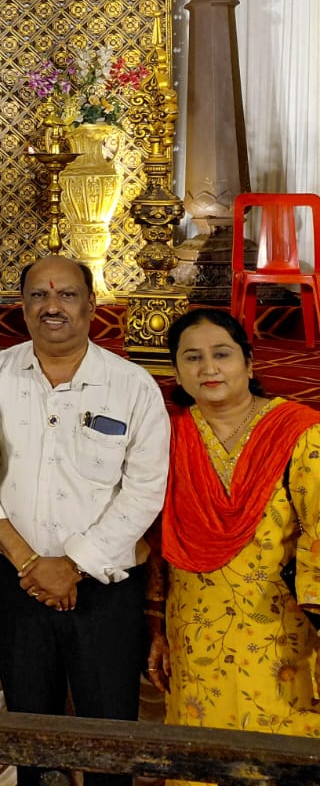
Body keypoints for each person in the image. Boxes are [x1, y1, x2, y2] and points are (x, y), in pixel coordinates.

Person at [0, 256, 168, 786]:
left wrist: (71, 565)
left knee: (109, 744)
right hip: (19, 583)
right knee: (34, 740)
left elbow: (144, 491)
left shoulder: (132, 385)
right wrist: (30, 562)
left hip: (105, 590)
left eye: (67, 295)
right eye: (38, 296)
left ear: (92, 306)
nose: (52, 307)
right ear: (22, 306)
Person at [148, 308, 320, 771]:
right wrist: (156, 627)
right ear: (178, 372)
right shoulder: (167, 435)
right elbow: (153, 539)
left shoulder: (299, 432)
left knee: (278, 755)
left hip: (283, 634)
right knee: (204, 756)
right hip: (195, 633)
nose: (208, 369)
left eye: (221, 354)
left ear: (248, 362)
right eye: (192, 358)